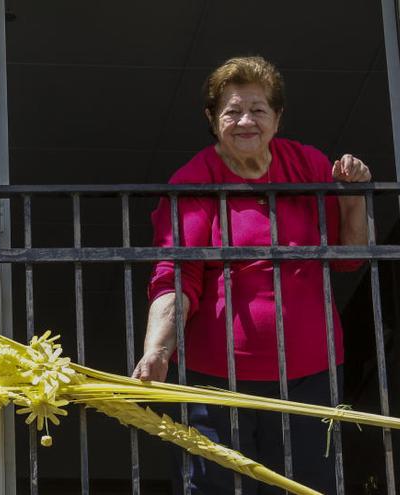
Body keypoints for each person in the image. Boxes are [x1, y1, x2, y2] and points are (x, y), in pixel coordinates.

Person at [131, 56, 370, 494]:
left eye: (258, 110)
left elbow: (349, 258)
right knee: (215, 486)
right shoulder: (194, 181)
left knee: (304, 488)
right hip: (215, 381)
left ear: (277, 118)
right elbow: (175, 278)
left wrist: (353, 198)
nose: (246, 121)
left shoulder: (308, 165)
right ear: (211, 118)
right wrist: (157, 351)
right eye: (232, 111)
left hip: (310, 376)